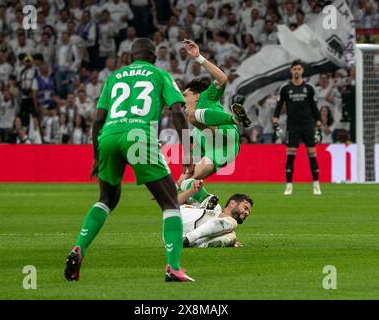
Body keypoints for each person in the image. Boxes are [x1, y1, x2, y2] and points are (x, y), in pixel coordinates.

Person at [64, 38, 195, 283]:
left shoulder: (114, 78)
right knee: (169, 203)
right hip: (138, 136)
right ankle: (174, 267)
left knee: (106, 199)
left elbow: (97, 119)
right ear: (154, 58)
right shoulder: (160, 75)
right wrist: (186, 152)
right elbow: (177, 111)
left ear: (130, 57)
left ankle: (79, 247)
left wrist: (96, 155)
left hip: (109, 137)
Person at [177, 39, 251, 203]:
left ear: (196, 95)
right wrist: (171, 187)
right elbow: (192, 164)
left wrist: (199, 58)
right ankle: (208, 200)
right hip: (220, 151)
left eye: (185, 95)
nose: (182, 101)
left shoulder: (205, 98)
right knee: (187, 183)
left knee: (192, 115)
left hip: (227, 135)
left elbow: (223, 79)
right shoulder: (195, 129)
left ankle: (234, 118)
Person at [272, 60, 322, 195]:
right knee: (290, 156)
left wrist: (318, 121)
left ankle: (316, 185)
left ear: (302, 71)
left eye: (299, 69)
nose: (297, 71)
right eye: (294, 69)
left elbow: (314, 106)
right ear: (291, 71)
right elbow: (279, 104)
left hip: (308, 124)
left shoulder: (309, 88)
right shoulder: (286, 88)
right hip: (292, 125)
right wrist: (275, 117)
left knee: (312, 155)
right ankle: (289, 185)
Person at [177, 179, 253, 248]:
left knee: (231, 236)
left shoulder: (225, 228)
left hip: (183, 230)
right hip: (185, 217)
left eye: (248, 212)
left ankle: (194, 242)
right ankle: (189, 238)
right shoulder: (215, 204)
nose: (247, 213)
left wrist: (233, 242)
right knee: (232, 223)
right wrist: (193, 186)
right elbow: (186, 182)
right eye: (245, 208)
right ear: (232, 203)